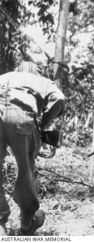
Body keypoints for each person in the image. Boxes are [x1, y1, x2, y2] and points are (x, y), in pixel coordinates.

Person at [0, 61, 65, 235]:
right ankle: (27, 221)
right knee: (26, 168)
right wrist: (44, 122)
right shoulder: (41, 80)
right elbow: (59, 98)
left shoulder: (4, 77)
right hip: (22, 119)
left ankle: (0, 223)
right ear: (36, 71)